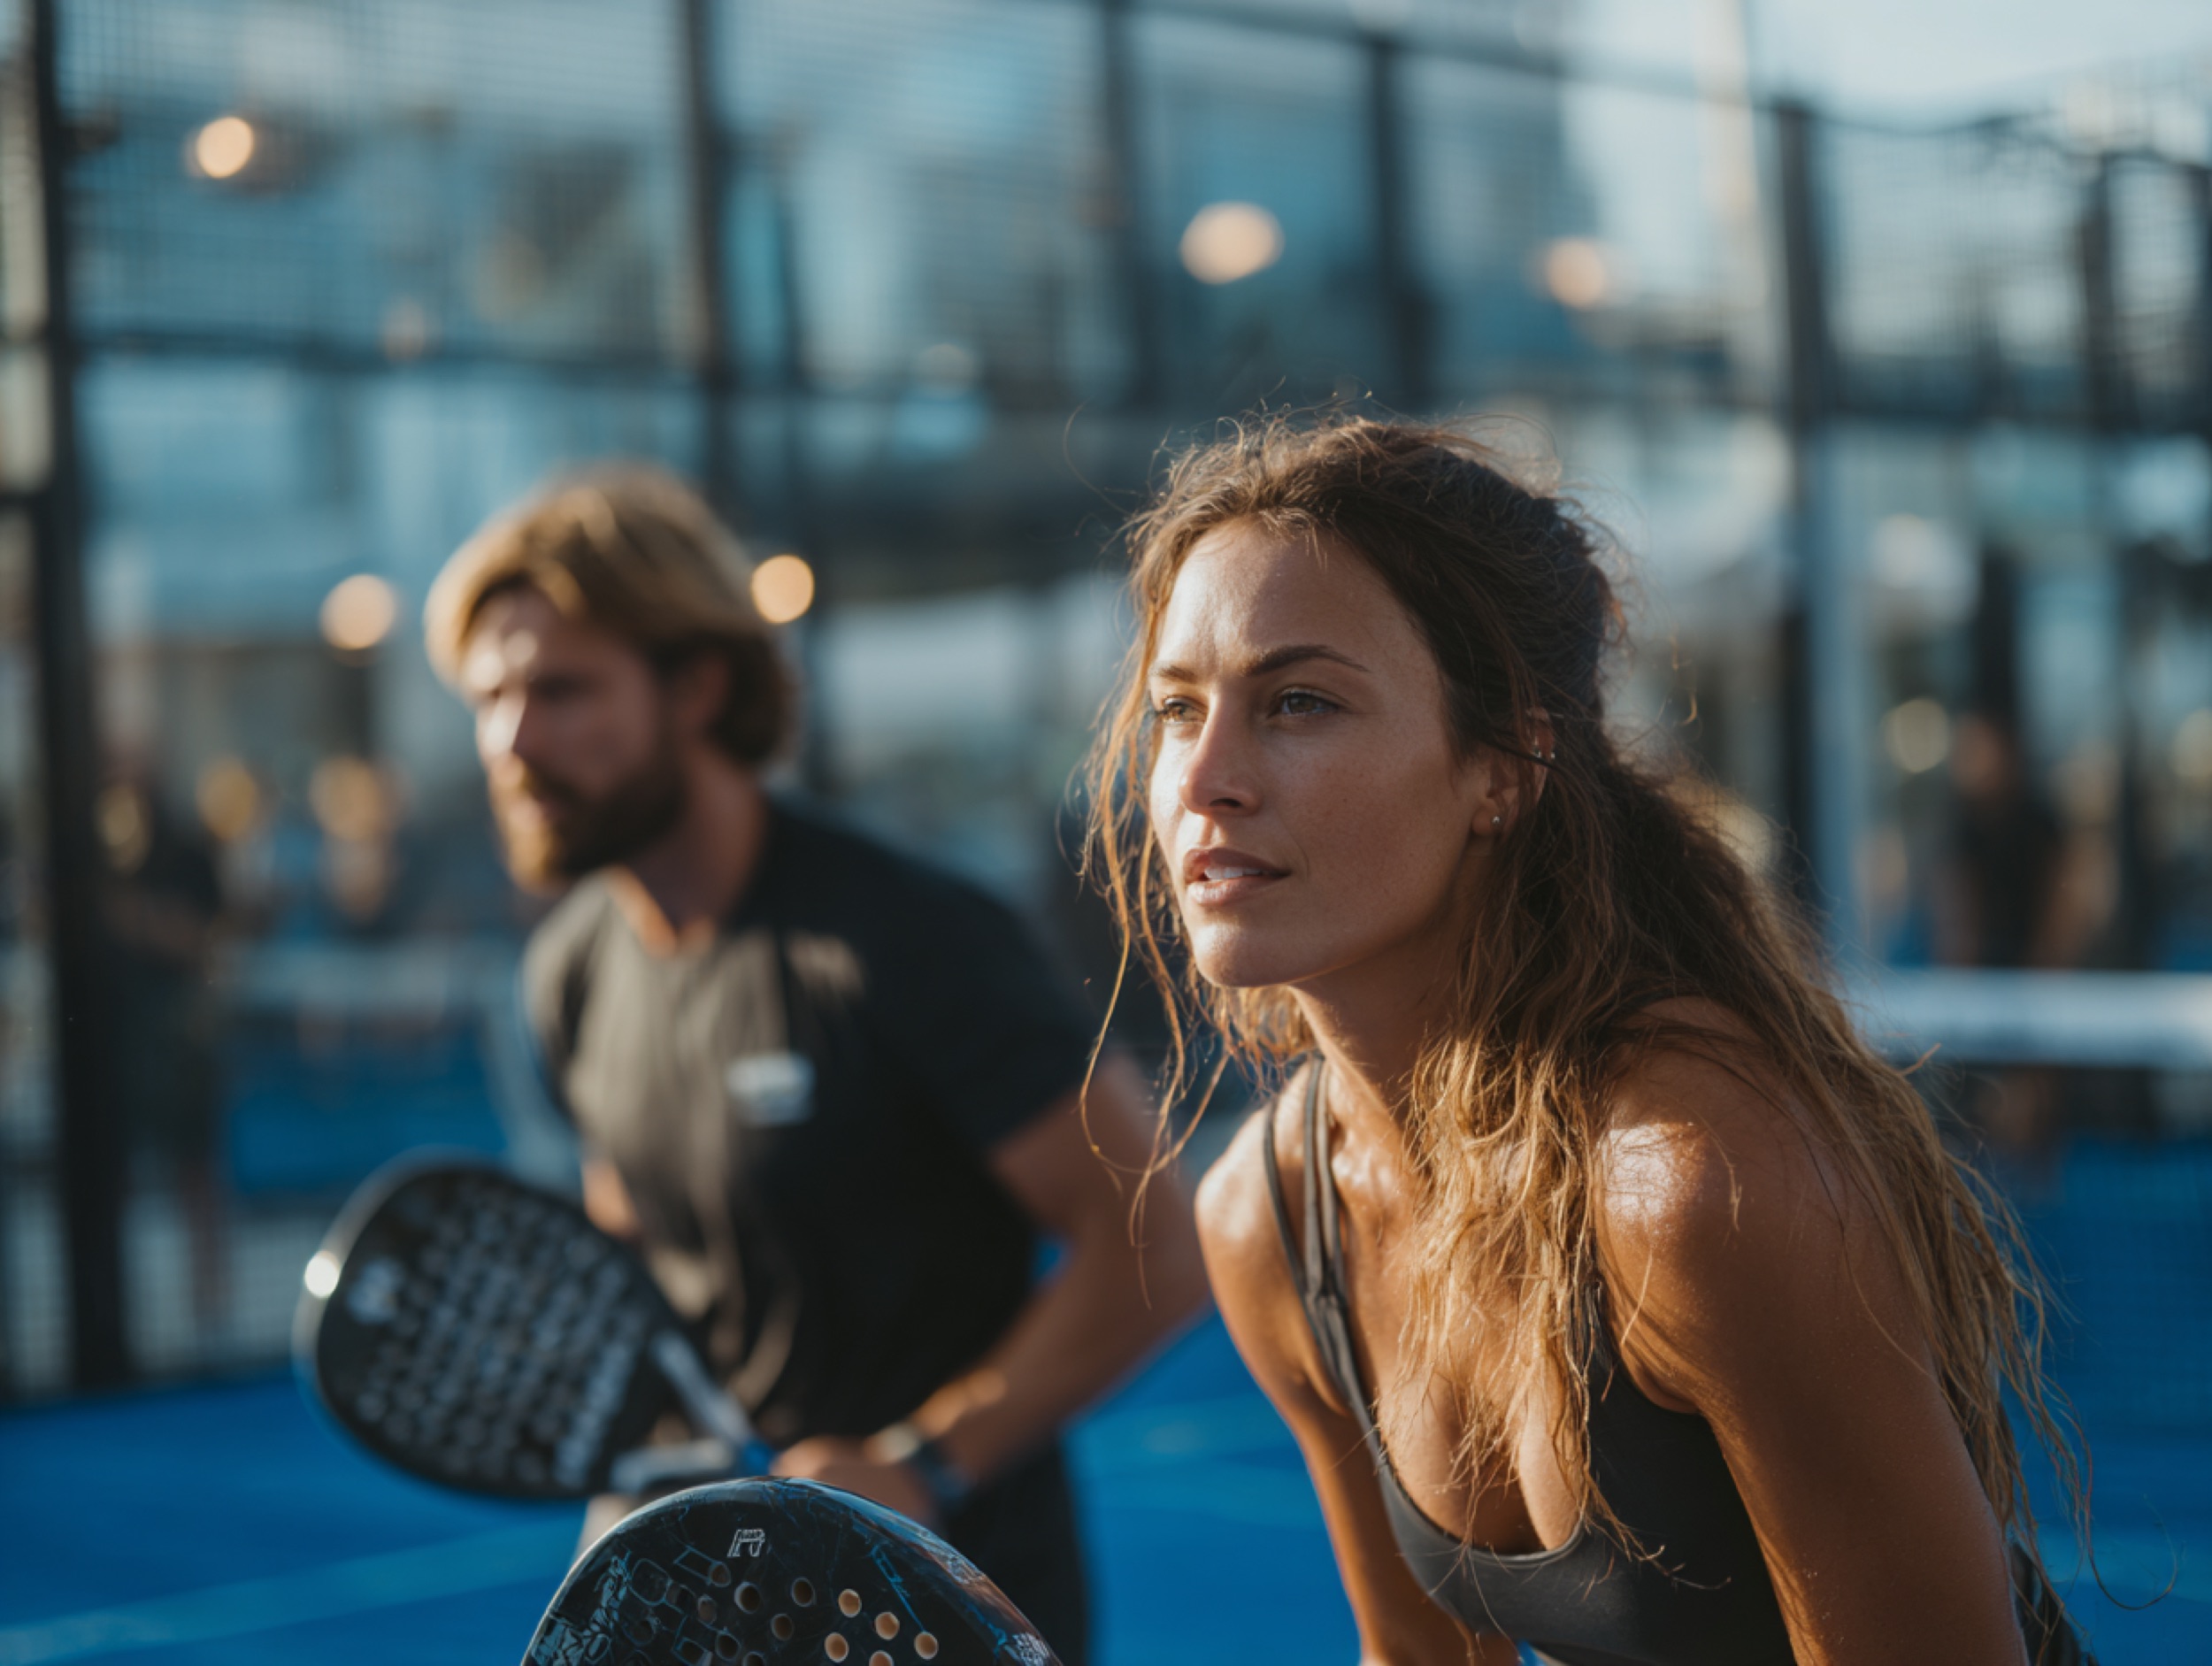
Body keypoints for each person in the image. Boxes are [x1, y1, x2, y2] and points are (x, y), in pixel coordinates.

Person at [1083, 417, 2093, 1665]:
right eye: (1179, 709)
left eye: (1298, 702)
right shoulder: (1270, 1218)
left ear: (1505, 763)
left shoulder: (1690, 1180)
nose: (1203, 780)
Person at [425, 466, 1207, 1663]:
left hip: (946, 1608)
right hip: (723, 1616)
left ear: (699, 685)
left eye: (560, 690)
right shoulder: (571, 973)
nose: (512, 740)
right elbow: (646, 1275)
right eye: (488, 699)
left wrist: (922, 1464)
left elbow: (1154, 1236)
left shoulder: (899, 934)